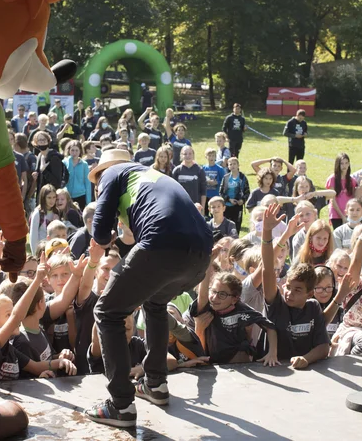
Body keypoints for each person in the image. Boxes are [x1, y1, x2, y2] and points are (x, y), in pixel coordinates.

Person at [84, 148, 212, 428]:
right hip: (201, 254)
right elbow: (135, 240)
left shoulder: (112, 174)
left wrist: (108, 236)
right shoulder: (151, 177)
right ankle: (155, 384)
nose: (97, 189)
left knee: (107, 312)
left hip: (163, 244)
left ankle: (120, 405)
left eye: (96, 186)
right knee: (154, 302)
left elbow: (101, 232)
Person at [262, 203, 330, 368]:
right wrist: (267, 231)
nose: (289, 293)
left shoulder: (313, 308)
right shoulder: (276, 304)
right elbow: (267, 270)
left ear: (309, 294)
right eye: (288, 287)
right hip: (274, 369)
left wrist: (306, 358)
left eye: (297, 290)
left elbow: (323, 347)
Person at [326, 152, 357, 229]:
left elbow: (353, 198)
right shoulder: (332, 179)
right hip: (336, 214)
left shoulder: (352, 180)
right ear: (338, 165)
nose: (344, 166)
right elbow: (332, 200)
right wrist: (342, 216)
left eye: (346, 163)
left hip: (349, 215)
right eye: (342, 163)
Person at [219, 157, 249, 230]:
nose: (232, 166)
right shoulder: (225, 178)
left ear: (238, 165)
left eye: (234, 164)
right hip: (227, 206)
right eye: (230, 164)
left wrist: (242, 200)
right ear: (228, 166)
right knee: (226, 226)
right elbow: (221, 192)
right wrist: (228, 199)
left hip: (238, 206)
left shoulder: (242, 177)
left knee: (237, 226)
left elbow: (247, 191)